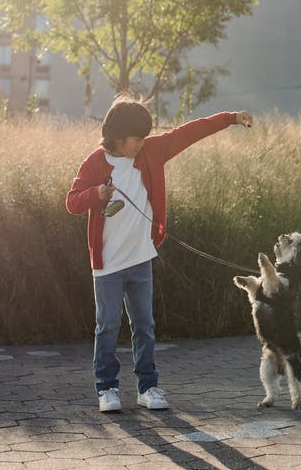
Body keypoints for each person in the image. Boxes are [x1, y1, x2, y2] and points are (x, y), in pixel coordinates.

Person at [66, 92, 253, 413]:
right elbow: (72, 202)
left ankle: (147, 387)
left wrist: (231, 118)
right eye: (136, 138)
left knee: (144, 325)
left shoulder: (152, 151)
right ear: (118, 136)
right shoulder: (95, 163)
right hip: (108, 263)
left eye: (144, 138)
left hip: (140, 258)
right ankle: (107, 388)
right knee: (107, 325)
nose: (142, 143)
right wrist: (96, 193)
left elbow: (190, 132)